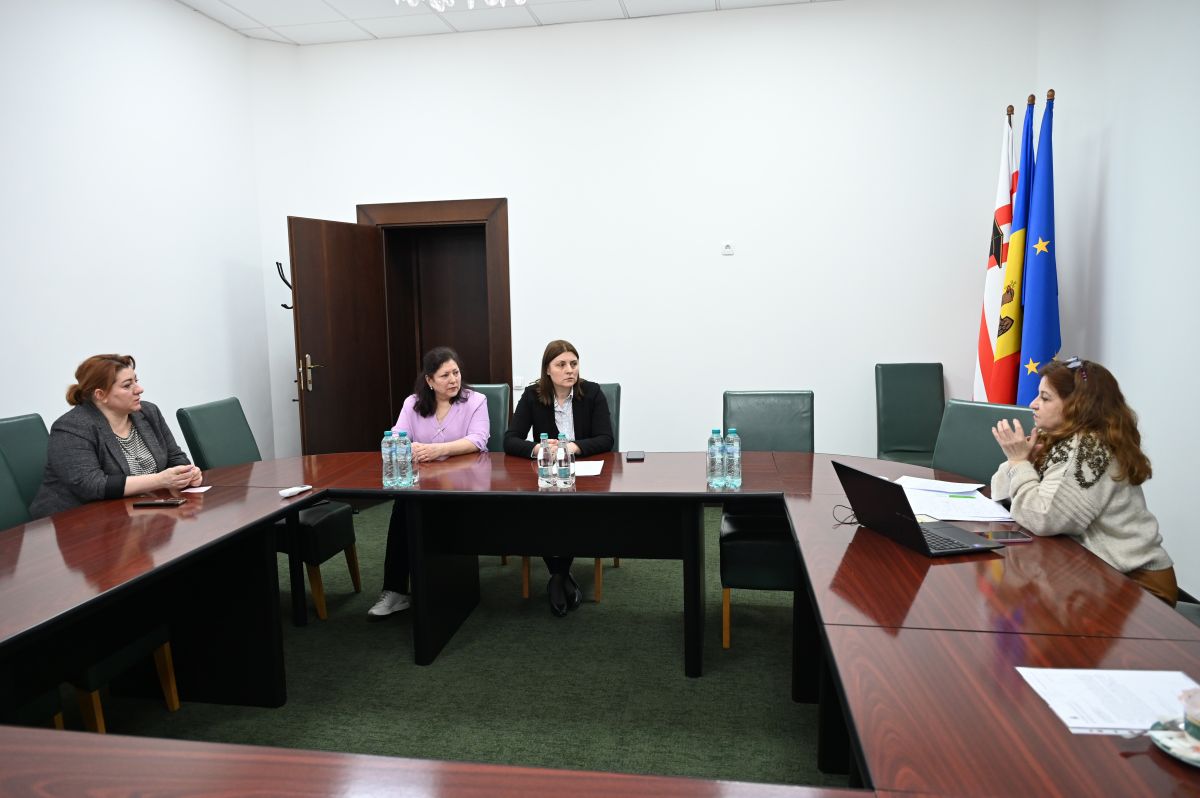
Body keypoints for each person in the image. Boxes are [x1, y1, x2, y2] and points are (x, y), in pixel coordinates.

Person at [990, 358, 1176, 605]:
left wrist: (1018, 463)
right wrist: (1022, 462)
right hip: (1098, 572)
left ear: (1077, 405)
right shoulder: (1060, 437)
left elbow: (1043, 519)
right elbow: (1000, 492)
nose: (1033, 404)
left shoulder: (1088, 448)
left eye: (1045, 398)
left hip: (1140, 586)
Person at [367, 347, 490, 618]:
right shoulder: (413, 404)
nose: (453, 380)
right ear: (429, 381)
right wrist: (406, 447)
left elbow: (479, 440)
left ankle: (446, 587)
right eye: (445, 375)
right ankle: (395, 591)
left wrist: (436, 450)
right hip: (424, 485)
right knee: (402, 509)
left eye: (456, 372)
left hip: (465, 484)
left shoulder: (475, 401)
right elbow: (396, 436)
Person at [504, 339, 613, 617]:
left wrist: (571, 447)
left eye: (573, 364)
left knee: (571, 509)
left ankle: (557, 576)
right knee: (543, 507)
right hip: (548, 474)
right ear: (547, 370)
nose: (569, 370)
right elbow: (510, 440)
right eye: (561, 364)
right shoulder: (533, 395)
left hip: (585, 475)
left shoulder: (592, 393)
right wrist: (539, 449)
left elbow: (606, 439)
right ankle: (561, 575)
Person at [31, 354, 202, 518]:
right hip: (79, 521)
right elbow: (92, 485)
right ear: (101, 395)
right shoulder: (72, 427)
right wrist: (160, 480)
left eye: (136, 381)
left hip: (139, 514)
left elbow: (175, 457)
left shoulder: (149, 412)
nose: (139, 389)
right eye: (127, 385)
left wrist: (187, 474)